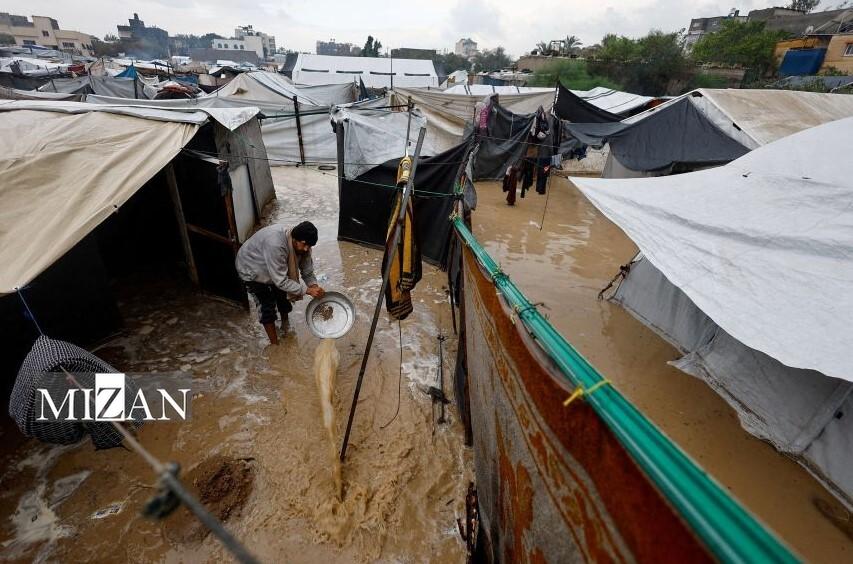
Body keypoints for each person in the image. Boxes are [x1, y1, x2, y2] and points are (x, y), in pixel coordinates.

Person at [235, 221, 325, 344]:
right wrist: (307, 290)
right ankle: (275, 345)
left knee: (283, 296)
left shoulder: (305, 246)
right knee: (266, 305)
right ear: (294, 239)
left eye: (309, 246)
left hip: (273, 265)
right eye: (304, 244)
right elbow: (281, 281)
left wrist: (314, 287)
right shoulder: (276, 244)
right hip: (251, 267)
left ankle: (285, 326)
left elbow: (307, 271)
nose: (306, 249)